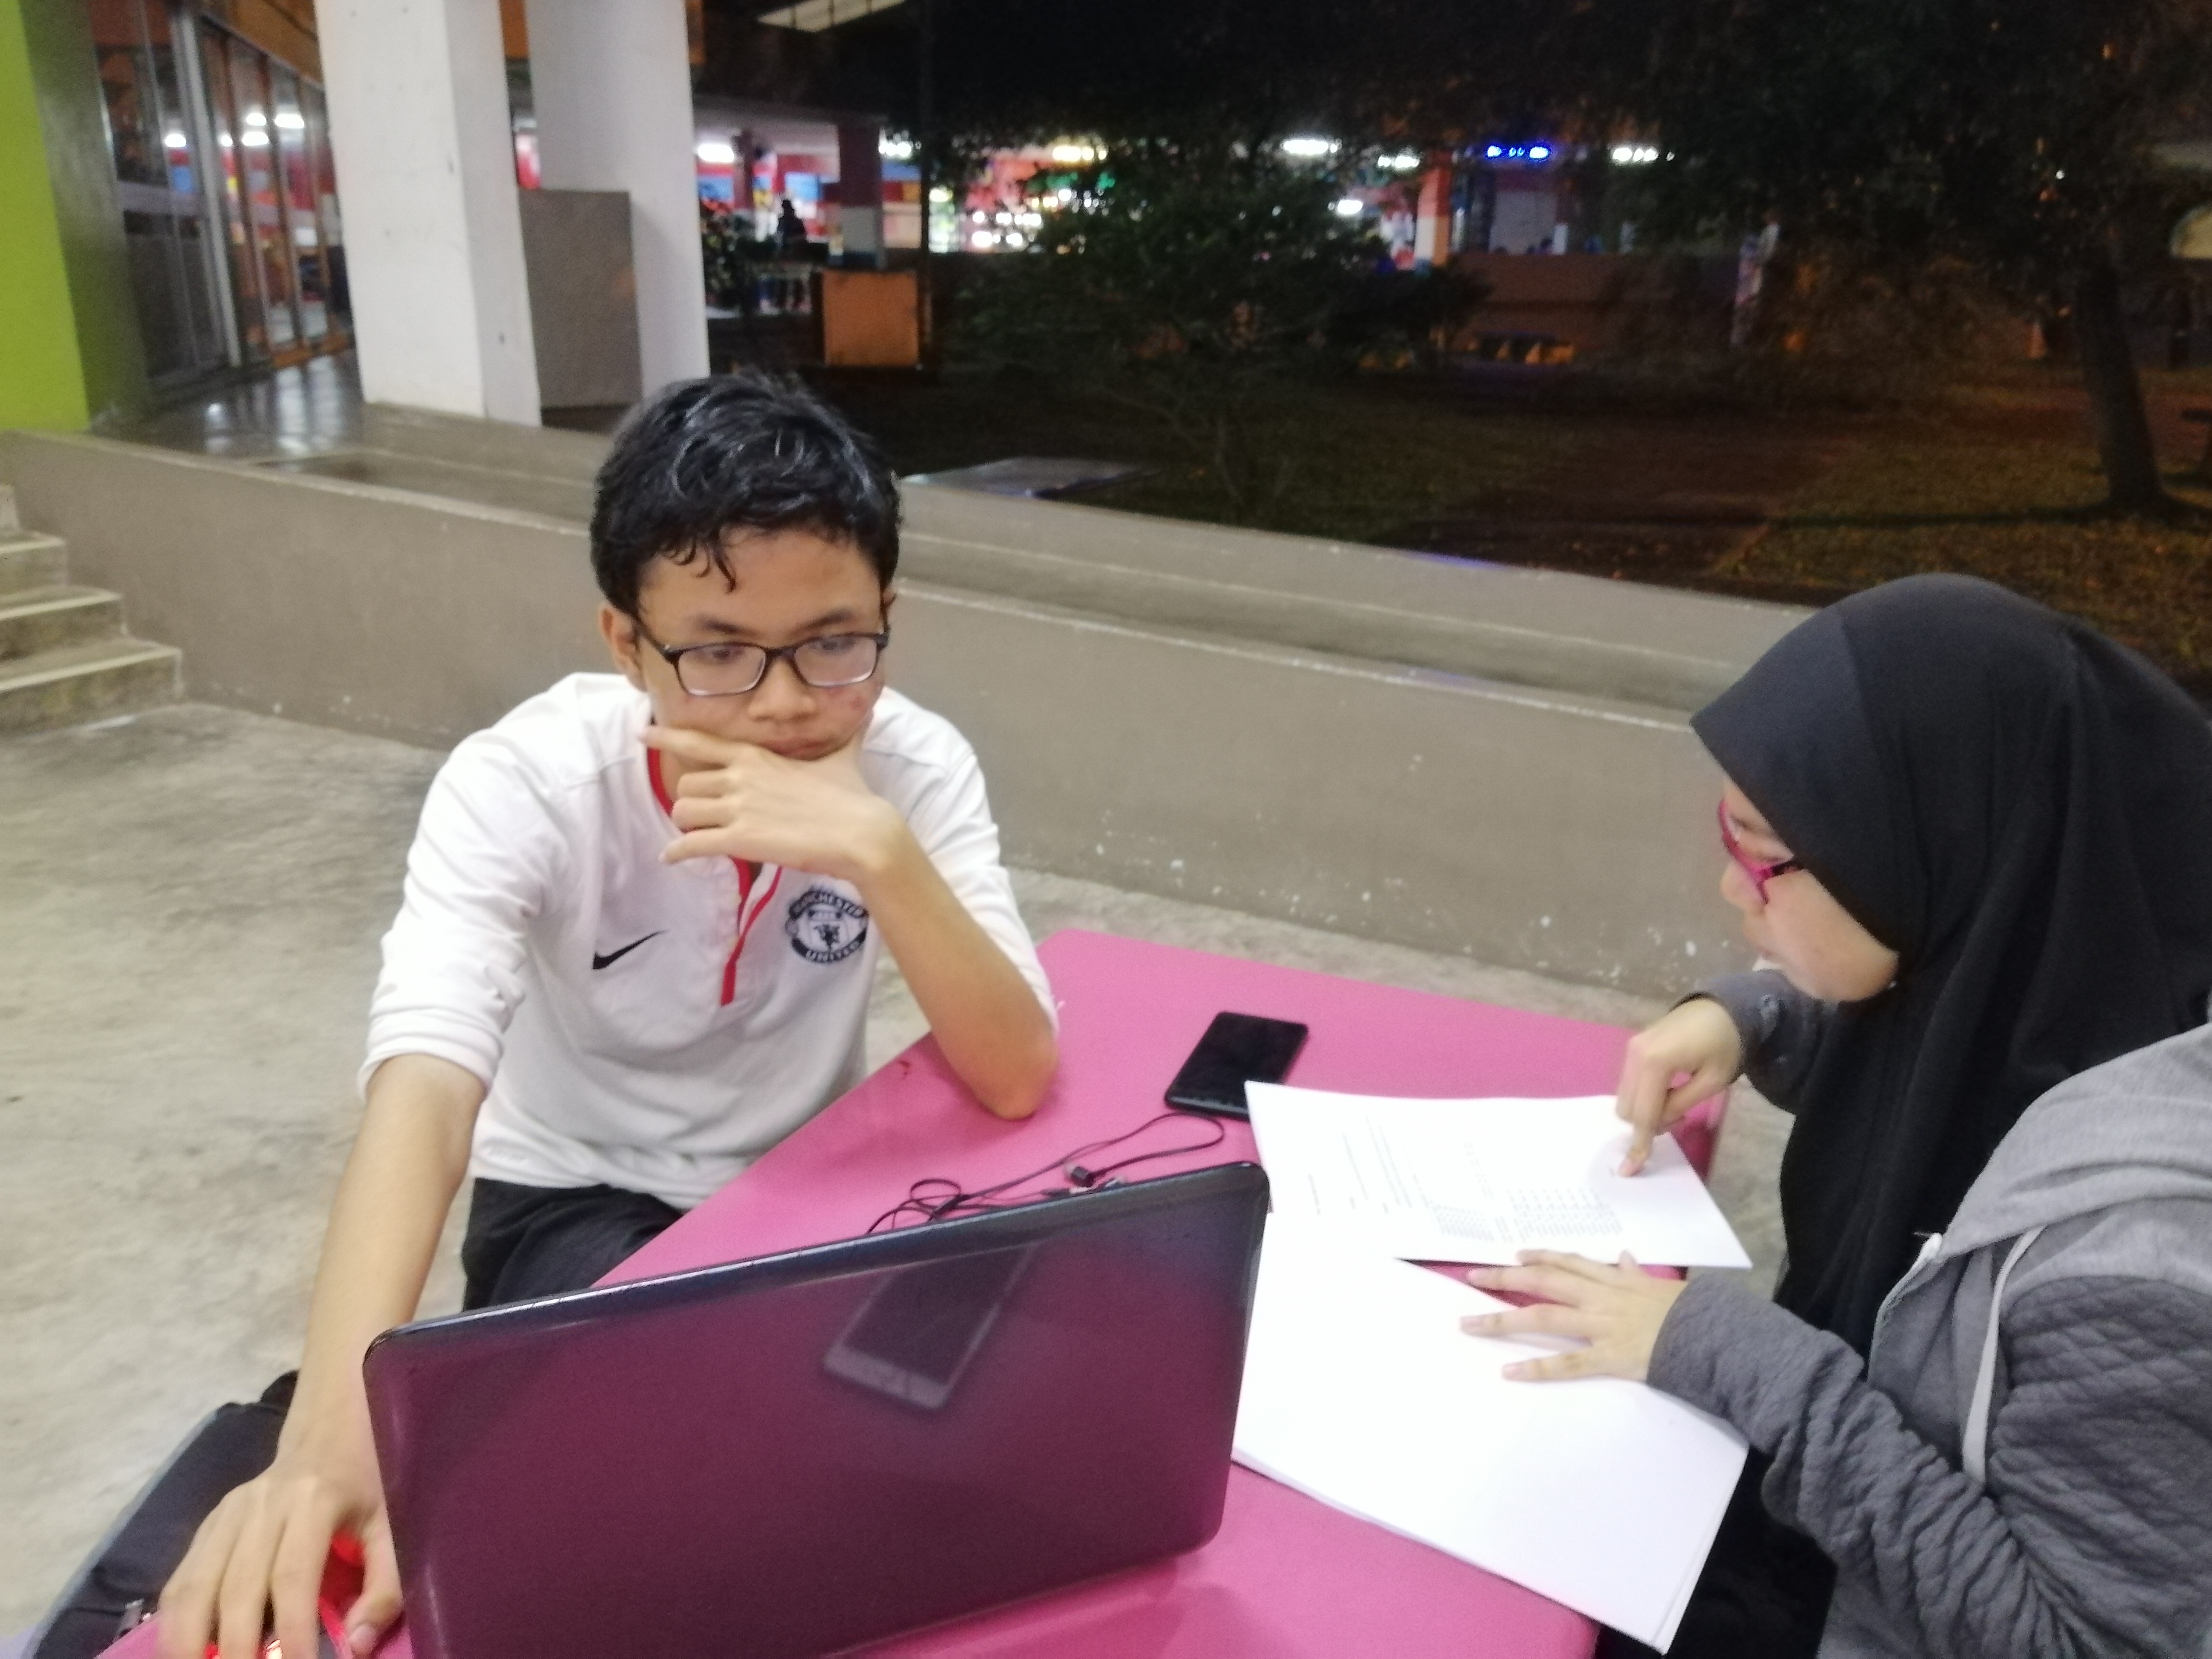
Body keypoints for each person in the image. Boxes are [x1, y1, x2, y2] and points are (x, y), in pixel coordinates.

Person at [156, 374, 1060, 1659]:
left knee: (977, 1428)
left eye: (834, 644)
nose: (785, 703)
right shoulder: (525, 785)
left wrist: (878, 851)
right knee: (645, 1493)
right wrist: (328, 1437)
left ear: (886, 620)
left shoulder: (916, 767)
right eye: (719, 653)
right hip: (575, 1190)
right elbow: (426, 1084)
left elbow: (1016, 1073)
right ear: (625, 644)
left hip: (802, 1189)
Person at [1468, 574, 2212, 1656]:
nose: (1734, 891)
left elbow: (2073, 1642)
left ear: (1928, 851)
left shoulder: (2135, 1275)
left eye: (1763, 854)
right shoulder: (2066, 964)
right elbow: (1949, 1086)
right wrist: (1758, 1018)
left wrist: (1748, 1360)